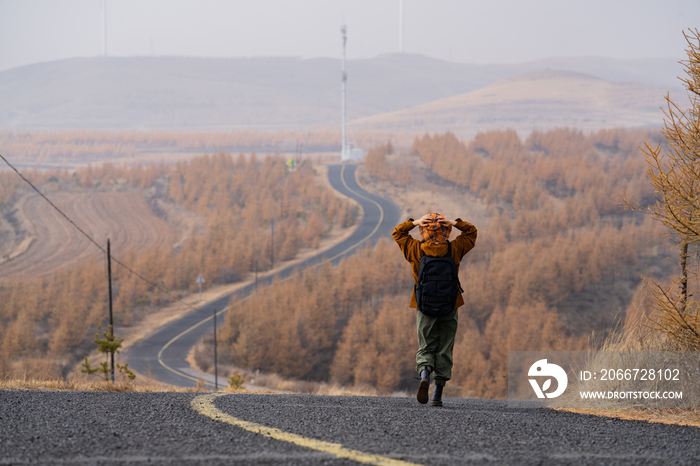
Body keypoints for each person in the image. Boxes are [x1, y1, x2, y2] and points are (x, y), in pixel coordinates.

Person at [392, 212, 477, 406]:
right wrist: (455, 223)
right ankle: (438, 394)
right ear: (446, 232)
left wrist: (414, 223)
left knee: (426, 345)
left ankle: (424, 375)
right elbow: (471, 233)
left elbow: (397, 234)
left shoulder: (415, 249)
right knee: (445, 347)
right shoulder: (454, 249)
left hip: (424, 306)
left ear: (423, 231)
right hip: (450, 304)